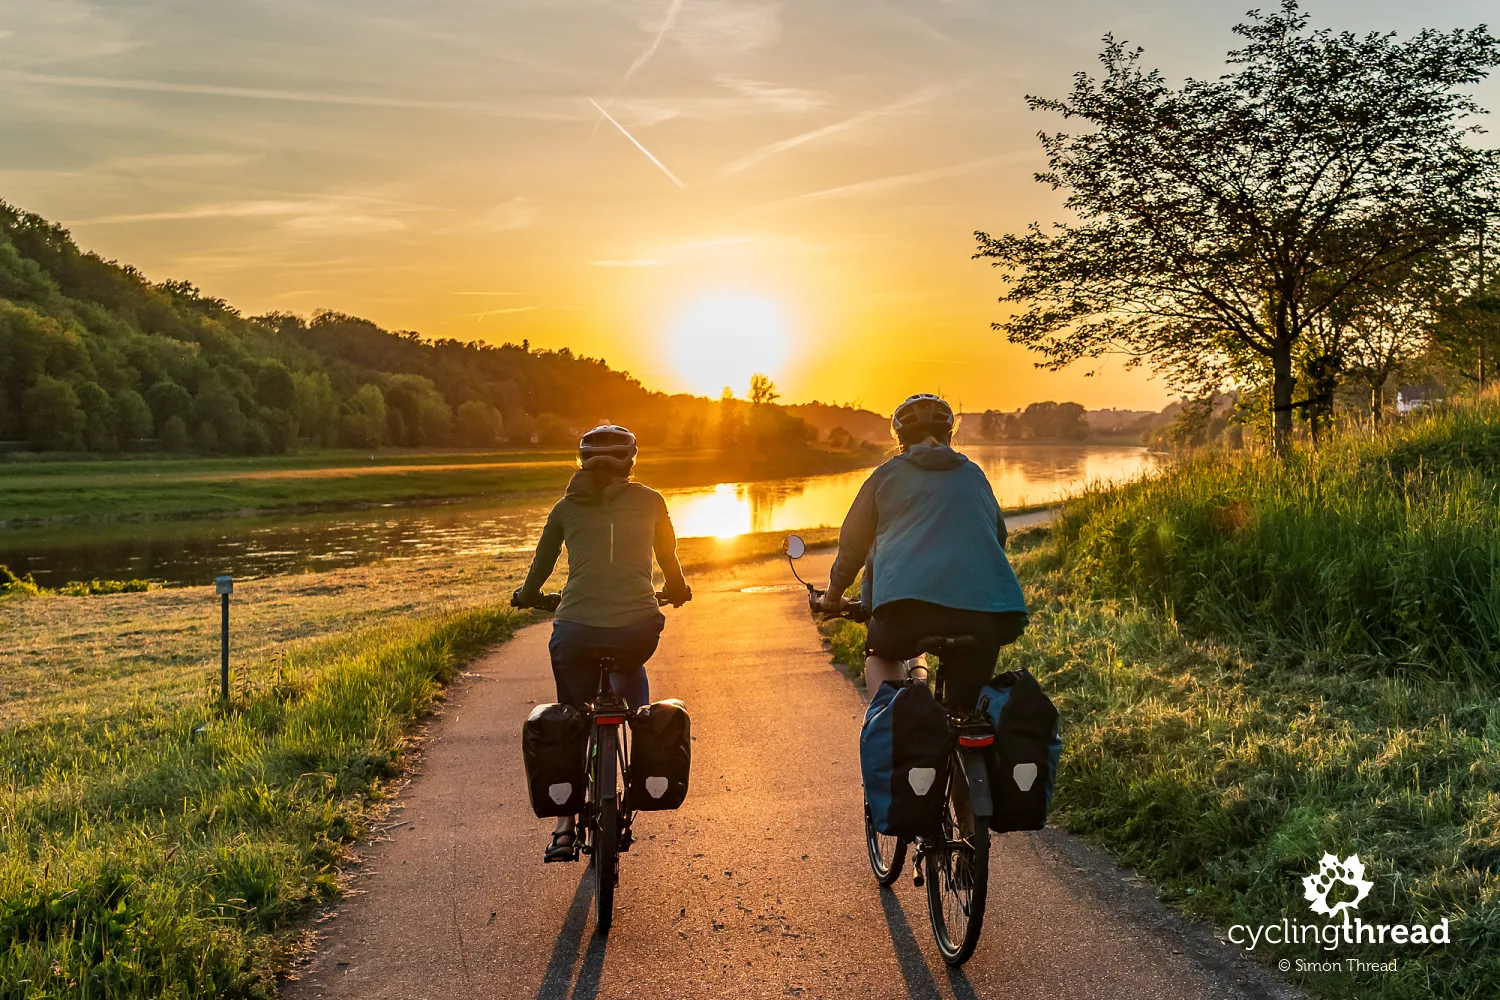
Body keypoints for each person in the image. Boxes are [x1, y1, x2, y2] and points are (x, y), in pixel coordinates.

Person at [512, 424, 692, 859]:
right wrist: (678, 590)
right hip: (637, 632)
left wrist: (528, 596)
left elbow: (541, 567)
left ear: (581, 462)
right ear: (631, 461)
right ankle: (638, 737)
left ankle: (563, 828)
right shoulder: (652, 501)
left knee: (571, 717)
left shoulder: (564, 508)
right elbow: (669, 561)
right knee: (632, 673)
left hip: (575, 632)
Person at [818, 394, 1026, 711]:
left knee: (881, 654)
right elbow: (998, 536)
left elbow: (852, 546)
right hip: (987, 617)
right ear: (950, 436)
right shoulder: (974, 475)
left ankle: (896, 726)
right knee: (966, 712)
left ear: (900, 440)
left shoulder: (885, 476)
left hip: (905, 614)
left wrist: (833, 597)